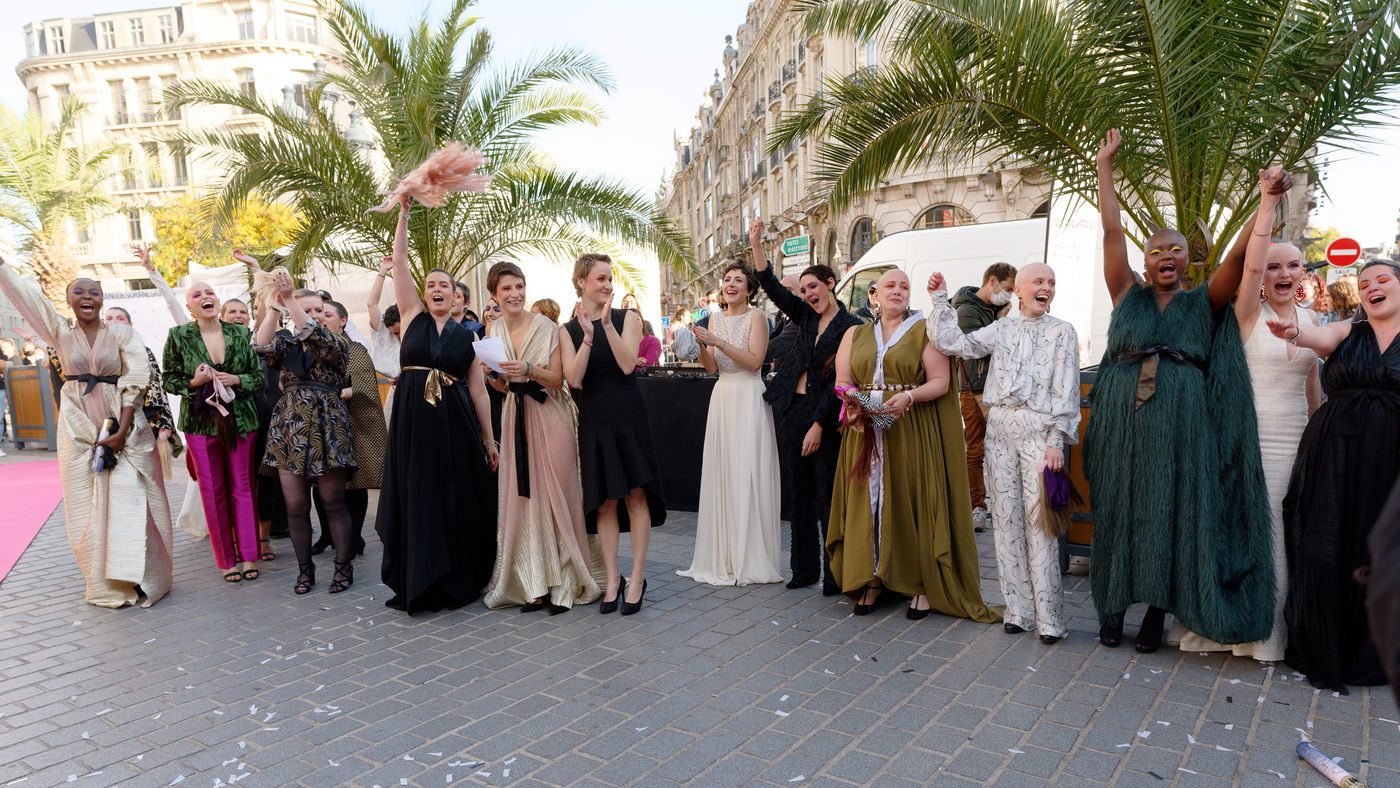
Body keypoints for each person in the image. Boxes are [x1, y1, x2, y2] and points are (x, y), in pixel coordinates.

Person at [1085, 128, 1276, 653]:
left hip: (1181, 422)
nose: (1165, 255)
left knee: (1169, 510)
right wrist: (1105, 166)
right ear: (1145, 261)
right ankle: (1112, 606)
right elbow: (1111, 230)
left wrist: (1265, 202)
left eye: (1176, 250)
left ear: (1190, 260)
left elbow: (1238, 261)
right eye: (1155, 251)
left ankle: (1155, 612)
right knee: (1118, 507)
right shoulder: (1126, 292)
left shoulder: (1202, 302)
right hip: (1120, 419)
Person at [1173, 168, 1323, 661]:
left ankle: (1273, 634)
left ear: (1303, 273)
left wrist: (1318, 438)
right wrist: (1267, 203)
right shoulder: (1248, 314)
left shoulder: (1312, 320)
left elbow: (1312, 386)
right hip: (1245, 437)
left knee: (1284, 534)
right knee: (1251, 531)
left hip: (1295, 440)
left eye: (1293, 265)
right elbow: (1250, 266)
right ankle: (1240, 630)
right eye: (1274, 267)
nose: (1282, 274)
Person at [0, 257, 173, 607]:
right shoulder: (59, 333)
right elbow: (28, 299)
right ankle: (107, 581)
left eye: (94, 291)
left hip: (127, 427)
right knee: (88, 506)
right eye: (78, 291)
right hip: (78, 430)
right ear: (69, 300)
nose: (87, 296)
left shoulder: (123, 333)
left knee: (134, 501)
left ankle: (143, 576)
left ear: (102, 299)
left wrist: (122, 429)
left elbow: (136, 377)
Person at [829, 269, 1000, 622]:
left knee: (912, 503)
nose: (898, 291)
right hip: (864, 431)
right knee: (868, 506)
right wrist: (856, 404)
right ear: (875, 294)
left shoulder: (925, 330)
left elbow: (940, 381)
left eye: (904, 286)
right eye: (890, 286)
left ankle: (922, 584)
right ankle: (873, 577)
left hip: (910, 428)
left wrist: (909, 396)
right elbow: (842, 381)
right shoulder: (854, 333)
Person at [1262, 258, 1400, 691]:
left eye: (1382, 279)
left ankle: (1374, 649)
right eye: (1365, 283)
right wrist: (1294, 333)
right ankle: (1326, 641)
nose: (1372, 287)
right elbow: (1318, 337)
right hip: (1336, 453)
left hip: (1390, 458)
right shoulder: (1348, 331)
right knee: (1330, 540)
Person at [926, 264, 1079, 643]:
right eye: (1039, 281)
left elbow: (1067, 388)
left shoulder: (1063, 331)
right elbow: (953, 343)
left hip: (1039, 431)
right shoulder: (1003, 328)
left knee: (1040, 524)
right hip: (999, 428)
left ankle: (1050, 619)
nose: (1047, 287)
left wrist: (1056, 440)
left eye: (1052, 282)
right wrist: (940, 299)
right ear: (1019, 292)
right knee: (1006, 520)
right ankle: (1018, 611)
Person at [376, 195, 499, 613]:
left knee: (455, 497)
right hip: (413, 424)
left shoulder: (470, 338)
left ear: (457, 295)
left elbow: (478, 391)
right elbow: (399, 261)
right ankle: (418, 580)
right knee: (417, 496)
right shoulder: (412, 315)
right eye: (430, 285)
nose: (436, 289)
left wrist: (489, 441)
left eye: (444, 285)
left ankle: (453, 580)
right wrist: (404, 214)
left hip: (455, 425)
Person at [482, 261, 601, 612]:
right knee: (526, 500)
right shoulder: (492, 330)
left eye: (519, 286)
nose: (515, 294)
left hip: (550, 414)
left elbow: (558, 379)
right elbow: (502, 387)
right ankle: (535, 584)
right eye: (507, 288)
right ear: (494, 294)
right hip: (516, 417)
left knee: (560, 495)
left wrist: (530, 369)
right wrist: (492, 375)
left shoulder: (547, 327)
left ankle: (567, 581)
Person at [749, 219, 861, 592]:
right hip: (791, 409)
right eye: (804, 289)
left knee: (826, 494)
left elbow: (838, 384)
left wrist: (818, 425)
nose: (808, 293)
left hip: (825, 417)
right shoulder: (805, 315)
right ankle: (804, 570)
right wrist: (756, 244)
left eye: (813, 286)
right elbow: (771, 285)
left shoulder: (850, 326)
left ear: (830, 283)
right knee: (797, 492)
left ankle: (835, 575)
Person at [562, 253, 666, 614]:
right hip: (594, 419)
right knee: (605, 501)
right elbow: (574, 379)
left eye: (610, 278)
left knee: (635, 497)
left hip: (628, 416)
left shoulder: (628, 318)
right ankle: (612, 578)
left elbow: (626, 365)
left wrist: (606, 326)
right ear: (581, 282)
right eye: (600, 278)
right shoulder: (568, 329)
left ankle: (637, 578)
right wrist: (588, 338)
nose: (608, 284)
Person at [679, 261, 783, 587]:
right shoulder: (714, 318)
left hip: (749, 397)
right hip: (723, 396)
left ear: (749, 289)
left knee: (747, 471)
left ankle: (749, 556)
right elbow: (712, 367)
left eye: (738, 280)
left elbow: (755, 361)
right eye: (727, 279)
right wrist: (701, 344)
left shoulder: (757, 317)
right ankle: (723, 555)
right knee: (724, 472)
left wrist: (718, 341)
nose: (731, 284)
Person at [254, 280, 358, 595]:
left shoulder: (336, 341)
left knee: (332, 501)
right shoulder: (285, 342)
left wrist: (292, 301)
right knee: (296, 506)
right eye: (307, 309)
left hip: (328, 425)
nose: (313, 315)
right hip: (291, 427)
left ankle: (343, 566)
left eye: (318, 310)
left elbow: (314, 337)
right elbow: (260, 345)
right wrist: (275, 306)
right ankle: (304, 570)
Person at [162, 278, 264, 582]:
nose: (206, 296)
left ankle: (249, 555)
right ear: (190, 306)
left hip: (241, 420)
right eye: (198, 294)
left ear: (216, 301)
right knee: (212, 490)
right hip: (200, 423)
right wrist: (194, 382)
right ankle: (226, 561)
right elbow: (169, 379)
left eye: (210, 292)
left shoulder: (240, 332)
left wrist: (237, 380)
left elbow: (257, 377)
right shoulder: (178, 336)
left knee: (243, 487)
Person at [310, 300, 387, 560]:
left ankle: (354, 538)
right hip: (319, 425)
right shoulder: (309, 349)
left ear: (343, 321)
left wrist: (331, 395)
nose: (320, 318)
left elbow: (364, 387)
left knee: (354, 483)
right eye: (315, 313)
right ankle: (326, 534)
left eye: (326, 313)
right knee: (319, 481)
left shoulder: (354, 349)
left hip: (350, 423)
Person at [949, 263, 1017, 533]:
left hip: (995, 388)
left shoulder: (990, 310)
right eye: (1008, 288)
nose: (1010, 295)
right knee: (976, 450)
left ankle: (1001, 505)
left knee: (1001, 449)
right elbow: (977, 346)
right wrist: (1001, 321)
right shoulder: (967, 310)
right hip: (974, 389)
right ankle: (978, 505)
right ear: (993, 281)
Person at [103, 305, 180, 467]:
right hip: (105, 416)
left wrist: (164, 422)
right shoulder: (97, 352)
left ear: (130, 325)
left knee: (141, 466)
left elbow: (157, 385)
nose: (114, 322)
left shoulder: (143, 350)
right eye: (109, 318)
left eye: (120, 318)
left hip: (140, 416)